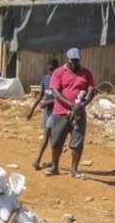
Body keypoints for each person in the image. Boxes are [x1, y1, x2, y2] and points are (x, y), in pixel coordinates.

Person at [45, 48, 95, 177]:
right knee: (56, 142)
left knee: (77, 143)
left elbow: (91, 91)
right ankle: (54, 167)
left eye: (77, 60)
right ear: (67, 59)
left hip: (79, 114)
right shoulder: (58, 72)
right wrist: (71, 105)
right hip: (60, 113)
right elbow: (56, 92)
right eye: (72, 60)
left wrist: (82, 105)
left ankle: (74, 170)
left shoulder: (86, 73)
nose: (75, 62)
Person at [27, 58, 60, 171]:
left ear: (57, 68)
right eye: (49, 70)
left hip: (56, 112)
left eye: (53, 70)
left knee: (46, 134)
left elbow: (62, 98)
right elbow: (41, 94)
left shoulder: (60, 79)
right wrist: (32, 109)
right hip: (47, 112)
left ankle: (37, 160)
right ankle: (53, 161)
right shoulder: (45, 78)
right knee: (51, 137)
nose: (51, 72)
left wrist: (48, 102)